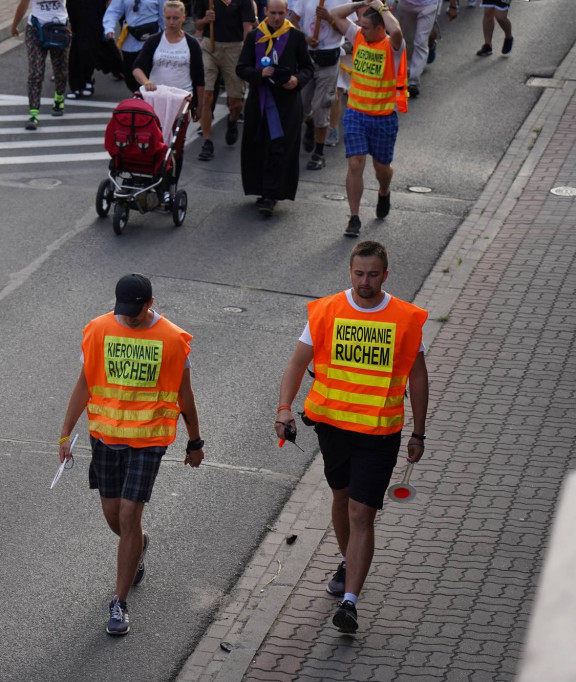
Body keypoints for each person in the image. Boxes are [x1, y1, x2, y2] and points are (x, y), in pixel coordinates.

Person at [274, 241, 428, 634]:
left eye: (373, 275)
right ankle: (348, 560)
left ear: (386, 275)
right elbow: (297, 362)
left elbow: (418, 376)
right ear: (350, 271)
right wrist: (284, 408)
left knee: (362, 512)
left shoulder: (405, 318)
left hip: (379, 433)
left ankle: (350, 602)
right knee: (341, 499)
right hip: (333, 428)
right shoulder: (326, 310)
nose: (365, 282)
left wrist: (419, 432)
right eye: (359, 273)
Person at [58, 274, 205, 636]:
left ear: (150, 302)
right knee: (115, 518)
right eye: (123, 310)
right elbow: (85, 382)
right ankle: (138, 544)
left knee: (128, 513)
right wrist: (65, 432)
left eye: (135, 312)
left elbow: (184, 394)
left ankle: (119, 603)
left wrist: (195, 441)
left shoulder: (172, 339)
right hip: (105, 437)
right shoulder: (98, 330)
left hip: (149, 440)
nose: (128, 317)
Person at [330, 0, 407, 237]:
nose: (360, 30)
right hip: (356, 113)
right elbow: (335, 14)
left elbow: (396, 31)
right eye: (360, 26)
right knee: (355, 163)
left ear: (379, 28)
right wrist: (363, 3)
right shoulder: (359, 37)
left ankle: (384, 191)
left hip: (383, 118)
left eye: (366, 27)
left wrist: (381, 8)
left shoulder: (392, 46)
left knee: (381, 168)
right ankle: (354, 217)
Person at [235, 0, 314, 217]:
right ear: (264, 11)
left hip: (286, 103)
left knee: (280, 147)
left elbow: (308, 67)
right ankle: (260, 188)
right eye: (273, 13)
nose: (277, 18)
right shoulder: (254, 36)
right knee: (259, 145)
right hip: (259, 101)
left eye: (281, 13)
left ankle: (272, 194)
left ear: (287, 12)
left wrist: (297, 80)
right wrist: (258, 74)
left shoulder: (296, 37)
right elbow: (241, 68)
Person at [132, 0, 206, 186]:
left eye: (175, 18)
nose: (171, 22)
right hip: (155, 100)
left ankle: (170, 185)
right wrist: (146, 81)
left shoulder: (191, 44)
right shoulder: (154, 41)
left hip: (181, 101)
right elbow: (137, 68)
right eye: (168, 18)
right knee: (149, 141)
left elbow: (199, 79)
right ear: (163, 18)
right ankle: (145, 178)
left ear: (183, 18)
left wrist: (200, 107)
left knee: (175, 146)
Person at [289, 0, 353, 170]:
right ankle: (309, 122)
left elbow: (349, 31)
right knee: (300, 105)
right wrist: (305, 38)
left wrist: (330, 19)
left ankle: (319, 153)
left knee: (321, 107)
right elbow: (293, 20)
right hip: (307, 58)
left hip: (329, 59)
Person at [190, 0, 256, 161]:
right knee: (207, 95)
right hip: (209, 46)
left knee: (236, 102)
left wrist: (247, 53)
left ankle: (232, 120)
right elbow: (197, 26)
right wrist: (205, 20)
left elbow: (247, 28)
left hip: (234, 48)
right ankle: (207, 141)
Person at [12, 0, 71, 130]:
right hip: (36, 29)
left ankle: (59, 98)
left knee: (60, 69)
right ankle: (33, 113)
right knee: (35, 72)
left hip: (59, 28)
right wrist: (14, 25)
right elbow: (23, 4)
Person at [103, 0, 166, 93]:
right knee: (130, 78)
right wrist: (109, 28)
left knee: (150, 76)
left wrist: (168, 38)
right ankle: (138, 97)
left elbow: (164, 16)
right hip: (130, 41)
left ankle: (147, 100)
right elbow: (113, 11)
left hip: (152, 41)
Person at [394, 0, 439, 97]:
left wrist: (453, 5)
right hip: (406, 5)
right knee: (407, 39)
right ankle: (409, 66)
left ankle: (413, 81)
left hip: (428, 5)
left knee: (420, 41)